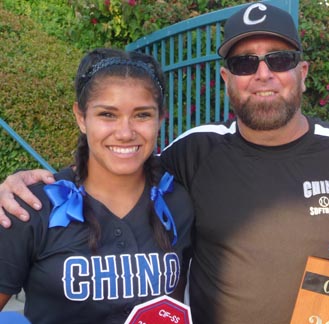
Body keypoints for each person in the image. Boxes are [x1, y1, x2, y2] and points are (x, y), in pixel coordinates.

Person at [0, 3, 329, 324]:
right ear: (226, 79)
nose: (262, 73)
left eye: (277, 60)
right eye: (244, 61)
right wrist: (30, 184)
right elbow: (118, 160)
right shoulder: (193, 152)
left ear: (302, 73)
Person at [0, 48, 194, 323]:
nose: (125, 132)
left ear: (160, 119)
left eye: (142, 115)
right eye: (107, 114)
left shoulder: (180, 203)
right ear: (81, 117)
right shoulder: (31, 206)